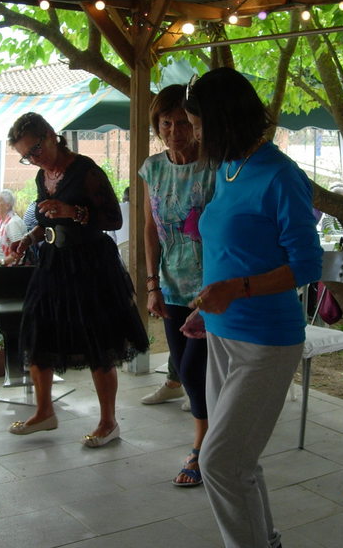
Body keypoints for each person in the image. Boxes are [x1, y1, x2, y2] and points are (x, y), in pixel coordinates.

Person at [184, 68, 322, 547]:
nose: (194, 136)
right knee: (239, 461)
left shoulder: (281, 176)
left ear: (224, 121)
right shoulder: (229, 169)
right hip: (223, 331)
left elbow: (307, 264)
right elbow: (232, 249)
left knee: (218, 461)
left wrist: (236, 290)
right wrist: (208, 305)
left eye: (198, 126)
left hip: (266, 341)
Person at [6, 112, 148, 446]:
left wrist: (73, 212)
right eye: (26, 156)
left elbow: (113, 219)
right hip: (53, 262)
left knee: (97, 339)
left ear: (51, 135)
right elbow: (48, 221)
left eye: (35, 149)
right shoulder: (42, 176)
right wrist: (29, 238)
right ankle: (44, 412)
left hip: (90, 264)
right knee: (37, 331)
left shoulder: (86, 171)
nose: (34, 159)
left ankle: (108, 422)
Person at [140, 84, 216, 486]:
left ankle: (201, 449)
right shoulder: (152, 168)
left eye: (183, 123)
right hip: (170, 284)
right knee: (187, 371)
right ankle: (211, 437)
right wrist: (152, 284)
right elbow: (150, 229)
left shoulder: (215, 166)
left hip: (211, 288)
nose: (174, 132)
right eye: (166, 123)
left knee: (192, 369)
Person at [0, 189, 26, 266]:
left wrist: (0, 261)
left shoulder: (13, 223)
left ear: (7, 205)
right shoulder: (2, 222)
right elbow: (0, 247)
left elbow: (19, 253)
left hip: (5, 268)